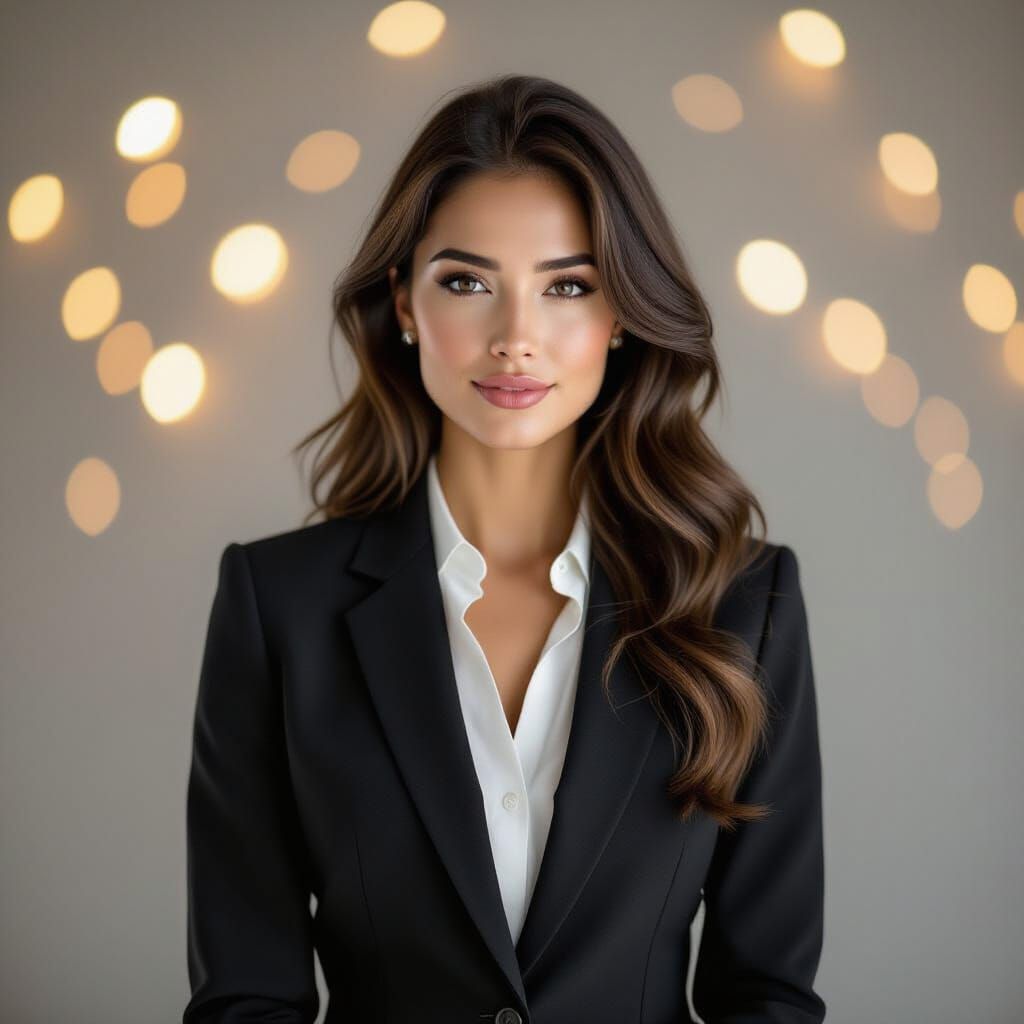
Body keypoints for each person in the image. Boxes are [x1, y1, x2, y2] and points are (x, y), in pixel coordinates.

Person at [183, 73, 826, 1023]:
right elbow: (246, 997)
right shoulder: (279, 606)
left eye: (568, 285)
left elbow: (765, 996)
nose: (516, 338)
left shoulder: (744, 605)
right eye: (467, 282)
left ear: (620, 318)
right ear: (403, 303)